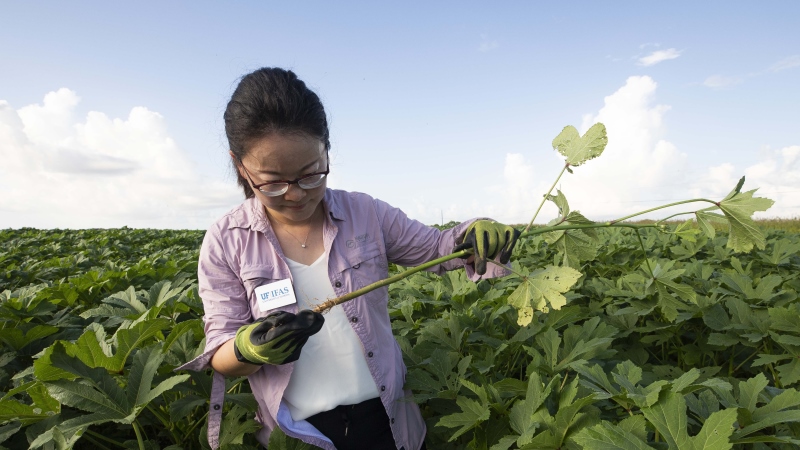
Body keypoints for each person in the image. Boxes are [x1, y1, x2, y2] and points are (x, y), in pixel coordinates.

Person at [179, 67, 520, 450]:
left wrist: (474, 235)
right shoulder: (226, 241)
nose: (295, 194)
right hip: (299, 433)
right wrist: (248, 349)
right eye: (273, 181)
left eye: (311, 174)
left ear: (327, 149)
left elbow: (437, 250)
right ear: (240, 165)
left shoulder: (366, 214)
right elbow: (220, 350)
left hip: (387, 420)